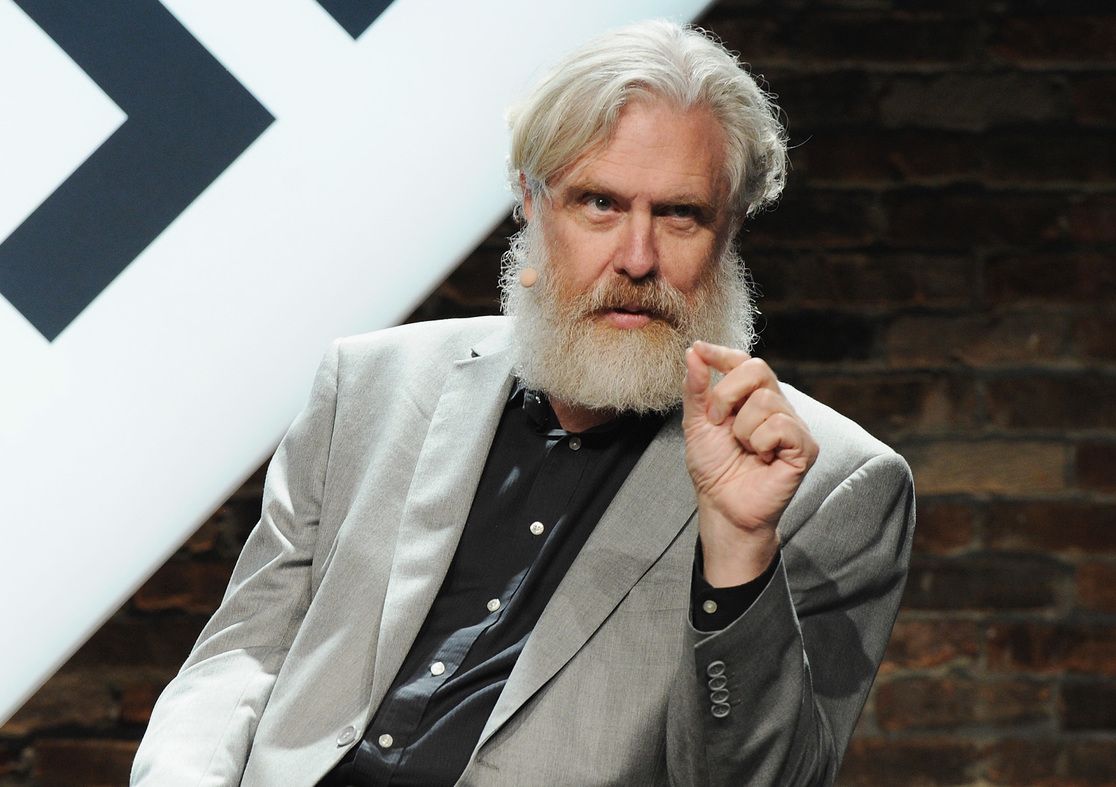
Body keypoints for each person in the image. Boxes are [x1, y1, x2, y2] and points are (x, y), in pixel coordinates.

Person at [133, 20, 914, 786]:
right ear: (531, 202)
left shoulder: (834, 485)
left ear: (730, 226)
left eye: (680, 213)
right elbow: (242, 654)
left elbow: (763, 777)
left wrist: (739, 555)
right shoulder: (368, 383)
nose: (637, 257)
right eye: (599, 203)